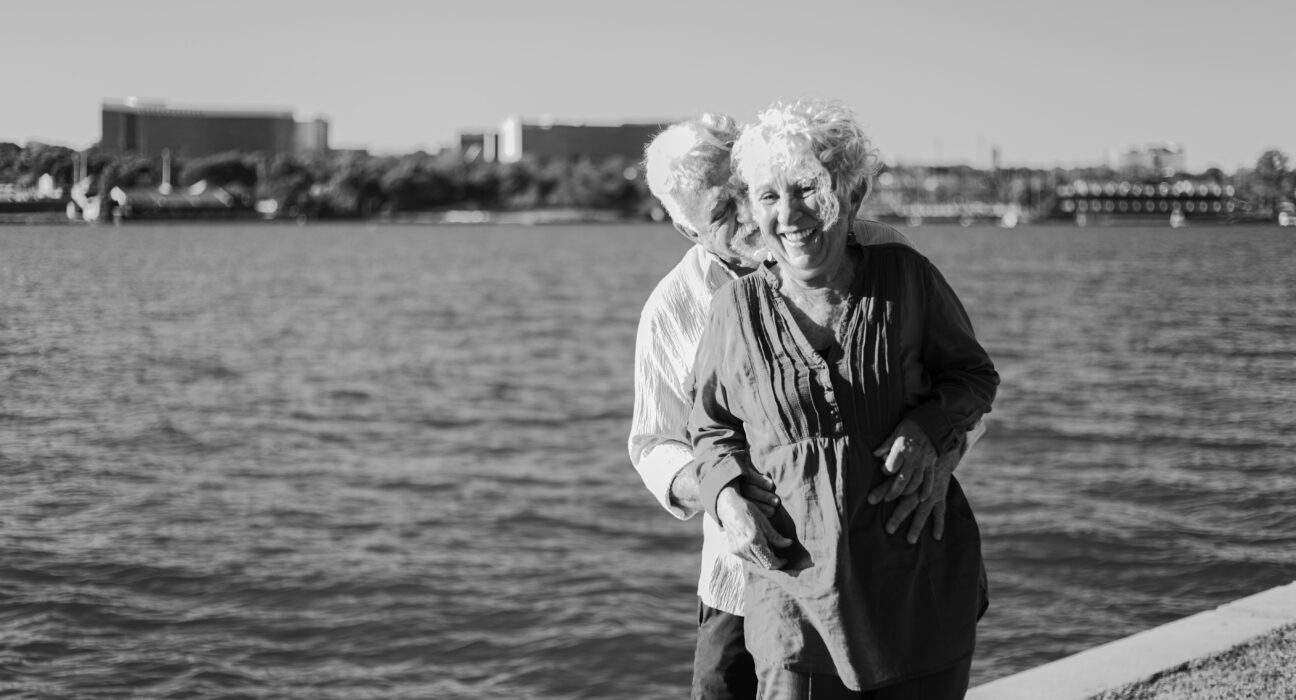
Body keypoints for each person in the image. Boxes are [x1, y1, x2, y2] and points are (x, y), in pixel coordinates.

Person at [629, 113, 981, 700]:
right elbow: (656, 442)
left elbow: (960, 380)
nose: (752, 217)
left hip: (884, 564)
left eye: (747, 191)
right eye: (720, 214)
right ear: (689, 232)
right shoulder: (674, 309)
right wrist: (722, 496)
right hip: (747, 578)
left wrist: (937, 448)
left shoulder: (885, 254)